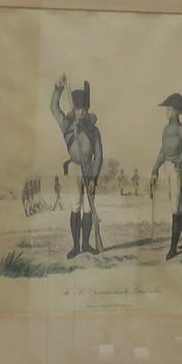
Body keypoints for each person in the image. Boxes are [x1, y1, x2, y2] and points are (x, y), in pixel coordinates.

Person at [50, 76, 104, 258]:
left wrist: (93, 178)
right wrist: (58, 89)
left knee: (88, 208)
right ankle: (75, 247)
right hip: (73, 169)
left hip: (89, 170)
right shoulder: (66, 125)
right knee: (75, 206)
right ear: (74, 108)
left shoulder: (94, 131)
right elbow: (54, 108)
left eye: (84, 109)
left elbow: (99, 156)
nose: (82, 112)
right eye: (79, 108)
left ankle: (86, 244)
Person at [151, 92, 182, 260]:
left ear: (177, 111)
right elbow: (163, 151)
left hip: (178, 169)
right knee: (178, 207)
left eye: (169, 109)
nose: (167, 112)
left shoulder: (181, 128)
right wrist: (155, 168)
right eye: (167, 109)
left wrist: (180, 159)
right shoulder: (166, 129)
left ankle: (173, 248)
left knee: (176, 209)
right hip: (167, 168)